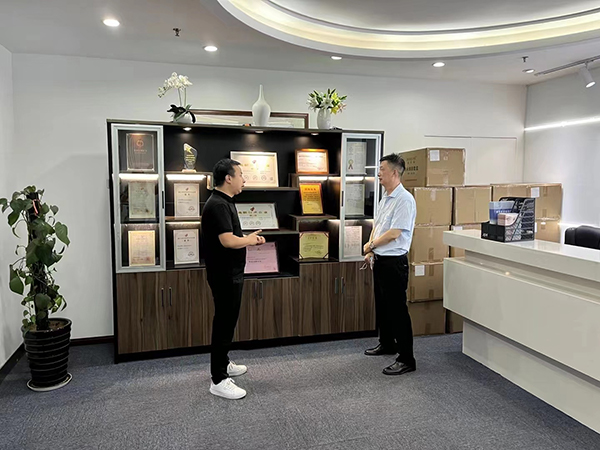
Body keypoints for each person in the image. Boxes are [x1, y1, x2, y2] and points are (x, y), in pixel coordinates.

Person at [202, 158, 265, 399]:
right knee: (224, 323)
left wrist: (248, 239)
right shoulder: (218, 204)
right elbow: (227, 241)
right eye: (240, 175)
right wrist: (249, 240)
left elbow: (230, 236)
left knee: (228, 321)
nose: (244, 180)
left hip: (230, 272)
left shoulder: (225, 201)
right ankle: (218, 379)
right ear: (228, 178)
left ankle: (223, 362)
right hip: (224, 274)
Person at [363, 153, 417, 376]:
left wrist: (371, 244)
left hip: (394, 262)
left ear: (394, 172)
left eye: (382, 170)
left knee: (397, 310)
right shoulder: (385, 198)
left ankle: (406, 359)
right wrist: (371, 249)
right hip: (380, 259)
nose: (379, 174)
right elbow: (378, 226)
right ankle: (387, 343)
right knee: (383, 306)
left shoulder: (405, 200)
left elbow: (394, 233)